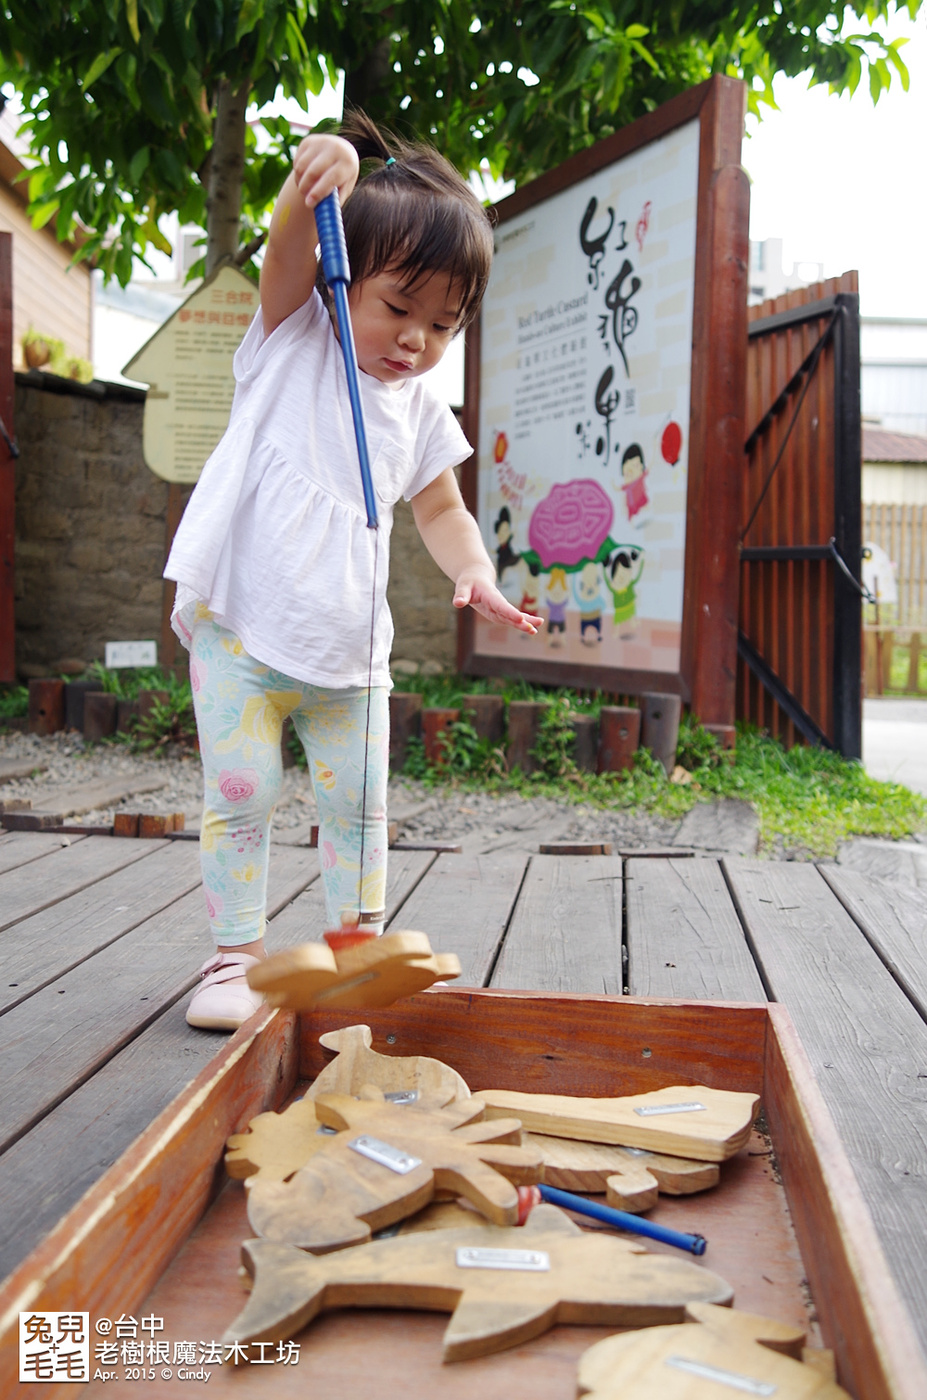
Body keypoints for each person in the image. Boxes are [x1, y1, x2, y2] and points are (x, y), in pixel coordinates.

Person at [165, 112, 537, 1031]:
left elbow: (440, 508)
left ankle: (355, 958)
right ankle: (232, 960)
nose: (415, 340)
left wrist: (473, 572)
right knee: (242, 792)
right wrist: (307, 185)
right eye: (397, 307)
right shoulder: (295, 335)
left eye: (443, 324)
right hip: (243, 626)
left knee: (362, 804)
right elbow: (285, 254)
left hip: (349, 654)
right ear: (343, 284)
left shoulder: (416, 406)